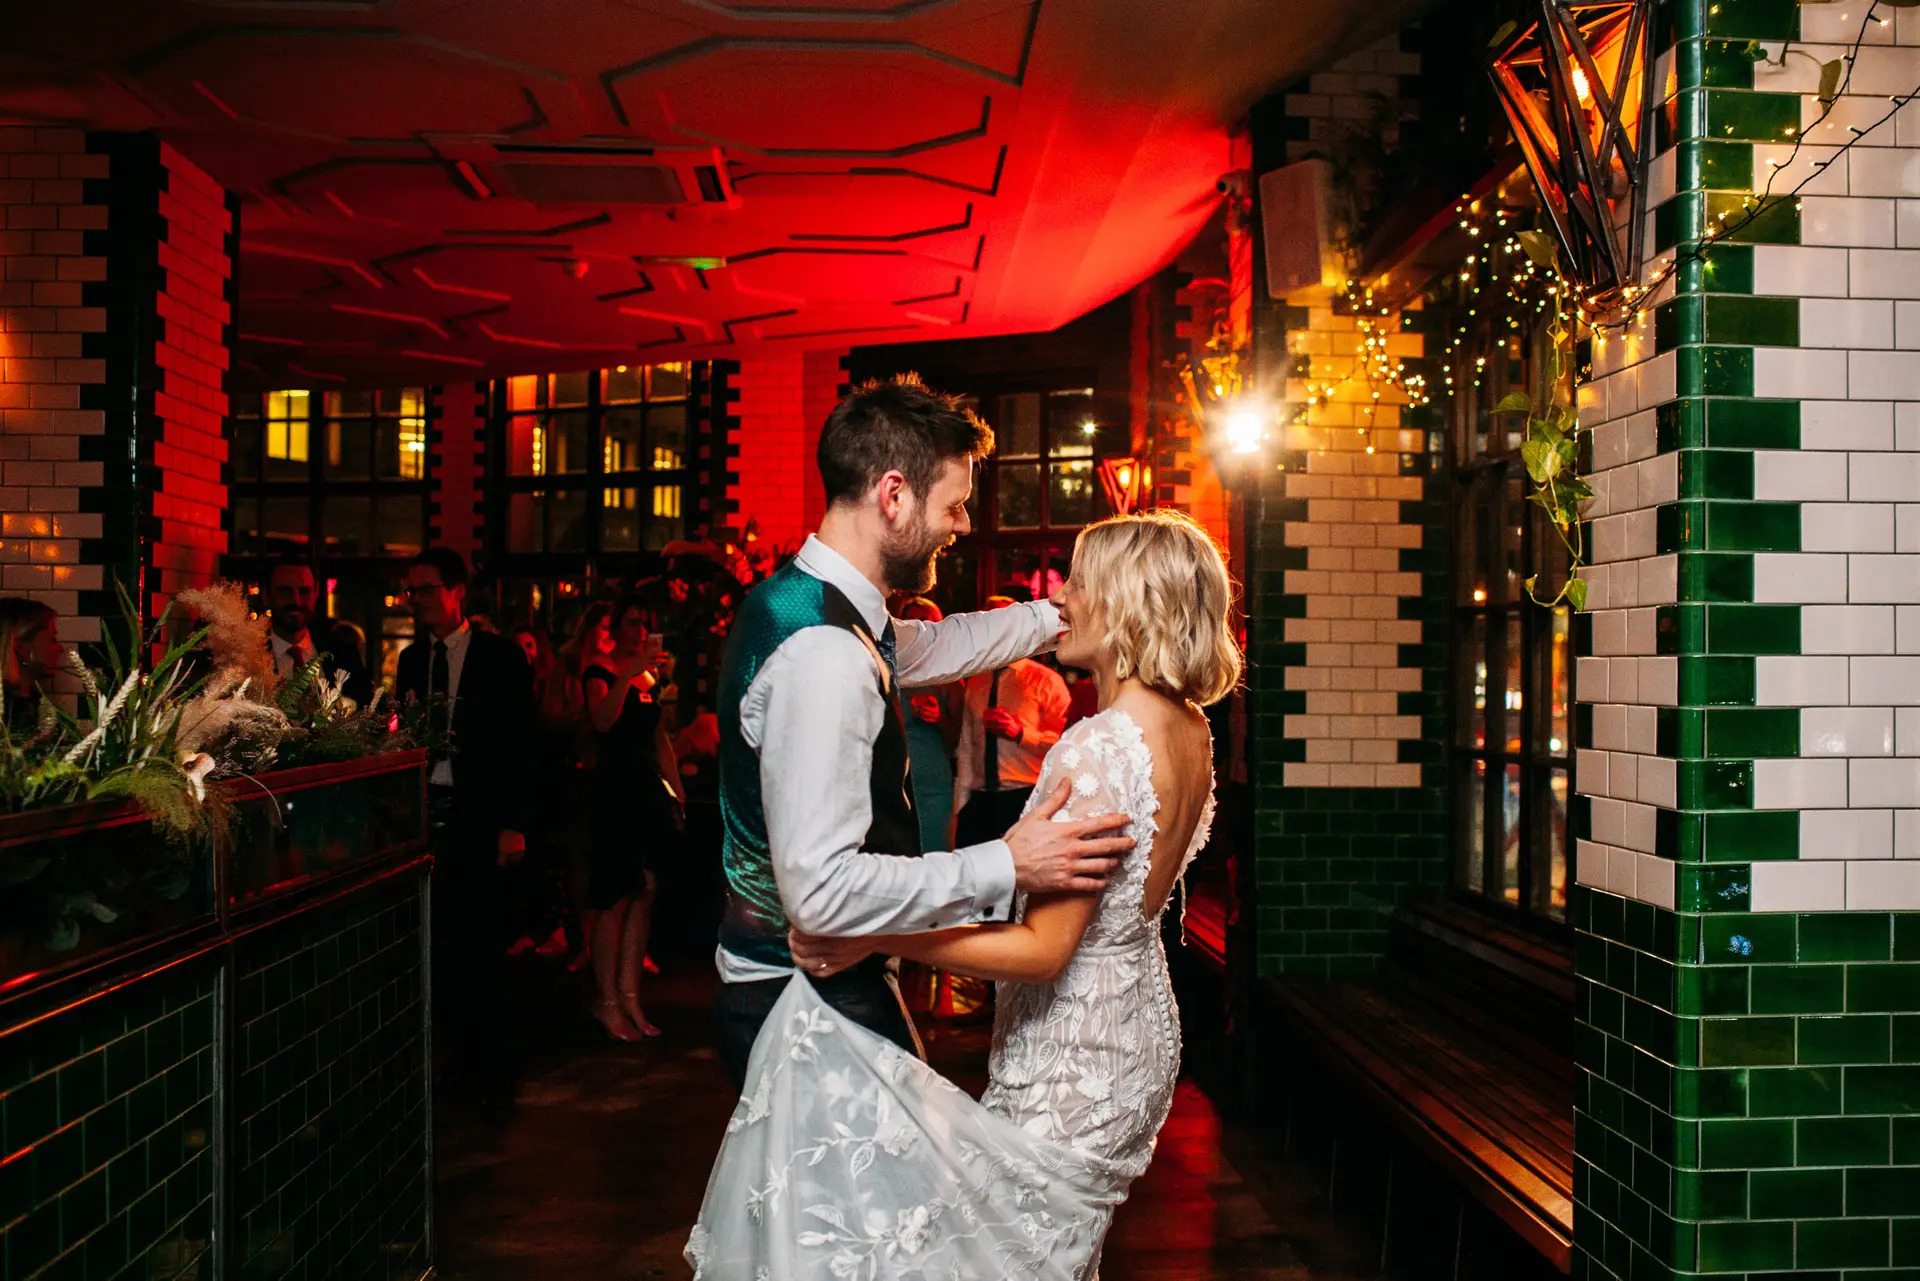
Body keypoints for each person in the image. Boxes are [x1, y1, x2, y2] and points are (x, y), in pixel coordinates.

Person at [687, 510, 1241, 1280]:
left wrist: (877, 933)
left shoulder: (1103, 743)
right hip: (1134, 1030)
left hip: (1073, 1056)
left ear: (1124, 605)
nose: (1063, 600)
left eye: (1080, 583)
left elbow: (1044, 952)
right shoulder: (1188, 727)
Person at [705, 373, 1135, 1092]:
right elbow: (821, 895)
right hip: (802, 997)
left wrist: (1058, 615)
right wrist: (1008, 862)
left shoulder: (815, 603)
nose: (963, 525)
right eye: (955, 505)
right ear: (894, 494)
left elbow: (936, 647)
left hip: (806, 983)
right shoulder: (825, 654)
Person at [395, 548, 534, 1110]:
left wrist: (514, 824)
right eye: (412, 591)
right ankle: (448, 1054)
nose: (417, 600)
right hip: (434, 809)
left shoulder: (497, 657)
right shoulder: (411, 660)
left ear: (455, 592)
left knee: (485, 933)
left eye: (426, 589)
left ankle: (492, 1062)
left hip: (482, 809)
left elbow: (522, 745)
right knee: (442, 935)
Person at [582, 592, 682, 1041]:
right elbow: (602, 720)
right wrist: (628, 671)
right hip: (613, 792)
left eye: (646, 624)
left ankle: (629, 995)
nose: (641, 632)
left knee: (645, 890)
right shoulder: (602, 670)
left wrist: (676, 788)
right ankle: (605, 999)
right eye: (633, 623)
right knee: (614, 894)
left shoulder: (650, 678)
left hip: (645, 792)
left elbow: (660, 738)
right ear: (616, 628)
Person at [952, 597, 1071, 848]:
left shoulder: (1046, 682)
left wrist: (1021, 734)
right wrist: (960, 804)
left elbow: (1066, 748)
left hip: (1025, 798)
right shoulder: (976, 681)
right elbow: (967, 745)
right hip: (980, 800)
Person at [508, 623, 577, 960]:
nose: (525, 653)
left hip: (553, 780)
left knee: (554, 857)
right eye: (520, 646)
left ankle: (558, 929)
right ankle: (535, 928)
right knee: (533, 858)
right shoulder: (516, 689)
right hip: (532, 783)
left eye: (531, 645)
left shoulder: (552, 687)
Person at [264, 556, 370, 705]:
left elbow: (367, 708)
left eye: (304, 592)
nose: (296, 601)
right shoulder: (249, 655)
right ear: (266, 595)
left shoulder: (343, 650)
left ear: (315, 594)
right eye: (285, 592)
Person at [0, 597, 61, 733]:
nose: (59, 648)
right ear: (20, 646)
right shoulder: (9, 710)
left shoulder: (32, 702)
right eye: (52, 639)